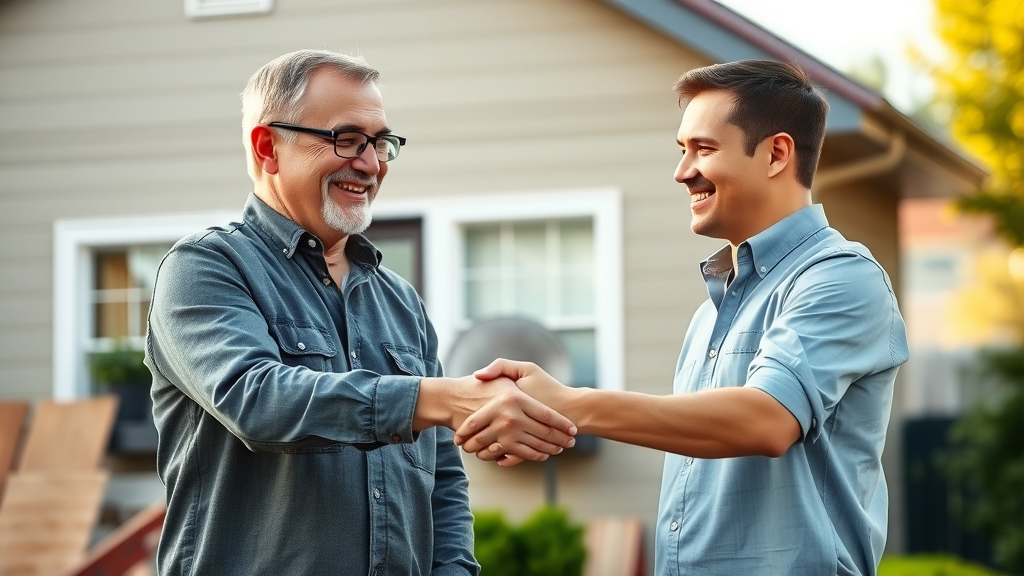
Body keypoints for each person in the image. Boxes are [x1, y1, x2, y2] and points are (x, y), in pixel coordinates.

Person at [457, 60, 909, 576]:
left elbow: (765, 420)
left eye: (704, 148)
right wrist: (551, 419)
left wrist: (572, 404)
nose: (682, 171)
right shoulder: (708, 314)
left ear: (776, 154)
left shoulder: (840, 278)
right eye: (682, 150)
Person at [144, 49, 575, 576]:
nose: (371, 164)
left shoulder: (400, 301)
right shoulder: (205, 267)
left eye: (381, 143)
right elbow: (255, 400)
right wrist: (437, 397)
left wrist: (456, 570)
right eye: (346, 139)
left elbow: (442, 475)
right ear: (267, 147)